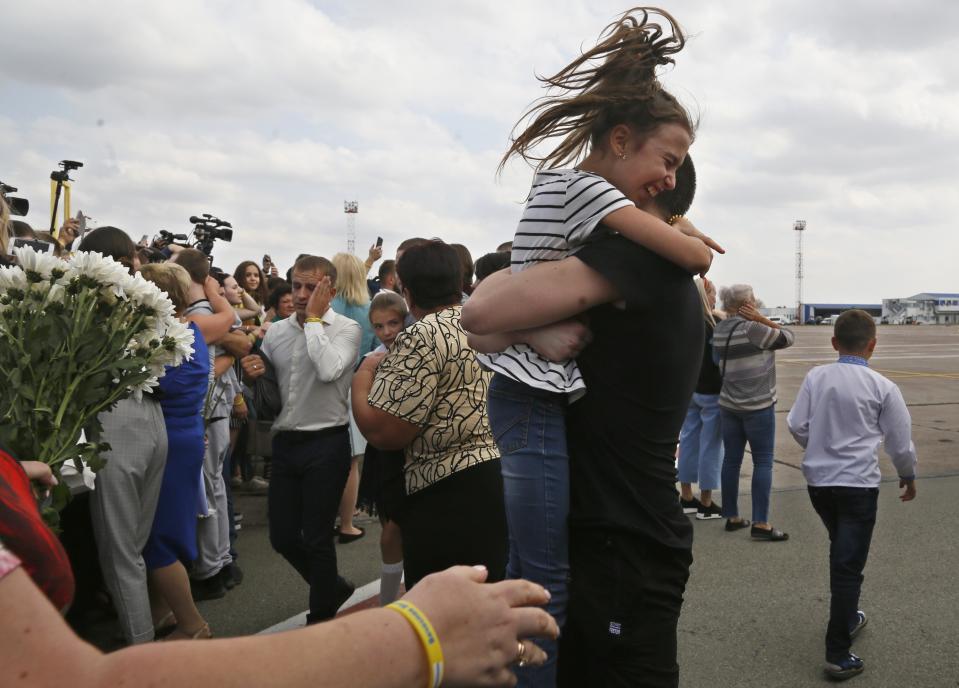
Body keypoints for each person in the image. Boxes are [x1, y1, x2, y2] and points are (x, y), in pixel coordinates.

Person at [467, 8, 718, 685]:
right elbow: (487, 320)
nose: (664, 176)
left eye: (672, 168)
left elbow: (480, 308)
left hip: (620, 539)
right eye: (662, 161)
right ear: (619, 140)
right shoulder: (645, 267)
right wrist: (532, 330)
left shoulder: (633, 258)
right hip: (633, 530)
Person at [352, 240, 507, 590]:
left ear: (406, 291)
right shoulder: (479, 321)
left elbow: (385, 430)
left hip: (445, 489)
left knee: (448, 608)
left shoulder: (422, 334)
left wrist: (363, 377)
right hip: (495, 473)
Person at [786, 309, 918, 681]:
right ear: (872, 346)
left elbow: (796, 424)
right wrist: (908, 474)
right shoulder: (883, 387)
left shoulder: (817, 377)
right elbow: (899, 441)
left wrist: (818, 446)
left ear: (834, 343)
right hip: (857, 485)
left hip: (820, 483)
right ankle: (837, 652)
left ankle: (848, 615)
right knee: (848, 564)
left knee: (841, 548)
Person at [240, 255, 362, 624]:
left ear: (331, 291)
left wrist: (312, 321)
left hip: (327, 441)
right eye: (296, 285)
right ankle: (332, 587)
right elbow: (272, 387)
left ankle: (321, 617)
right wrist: (252, 374)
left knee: (317, 537)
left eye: (313, 287)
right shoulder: (276, 331)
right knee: (282, 537)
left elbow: (328, 370)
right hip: (287, 443)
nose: (301, 294)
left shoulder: (346, 329)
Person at [75, 227, 169, 645]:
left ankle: (140, 651)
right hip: (151, 419)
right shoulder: (145, 296)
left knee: (120, 553)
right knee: (134, 544)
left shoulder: (90, 299)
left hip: (114, 419)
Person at [139, 262, 233, 640]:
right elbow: (228, 317)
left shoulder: (152, 341)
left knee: (158, 539)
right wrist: (211, 288)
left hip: (167, 440)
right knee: (172, 530)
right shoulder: (194, 330)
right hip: (189, 434)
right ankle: (163, 614)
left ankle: (194, 625)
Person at [712, 283, 794, 541]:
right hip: (758, 406)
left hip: (728, 405)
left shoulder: (720, 329)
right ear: (746, 304)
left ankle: (732, 516)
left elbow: (716, 361)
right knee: (763, 462)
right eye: (753, 301)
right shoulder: (753, 328)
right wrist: (761, 318)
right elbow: (788, 337)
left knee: (731, 461)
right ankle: (761, 522)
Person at [356, 291, 411, 604]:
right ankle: (389, 599)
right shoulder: (372, 359)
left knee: (395, 528)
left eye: (393, 323)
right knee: (388, 526)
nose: (387, 332)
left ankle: (389, 601)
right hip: (383, 450)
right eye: (379, 326)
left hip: (411, 448)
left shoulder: (418, 352)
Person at [330, 252, 375, 543]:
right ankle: (347, 522)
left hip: (328, 380)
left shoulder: (329, 307)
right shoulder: (369, 308)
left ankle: (333, 518)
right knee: (351, 461)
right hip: (358, 382)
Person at [677, 277, 725, 520]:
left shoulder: (682, 320)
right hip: (713, 392)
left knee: (687, 441)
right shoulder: (715, 323)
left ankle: (686, 496)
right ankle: (706, 502)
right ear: (705, 295)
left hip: (689, 390)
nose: (715, 298)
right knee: (711, 446)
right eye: (713, 293)